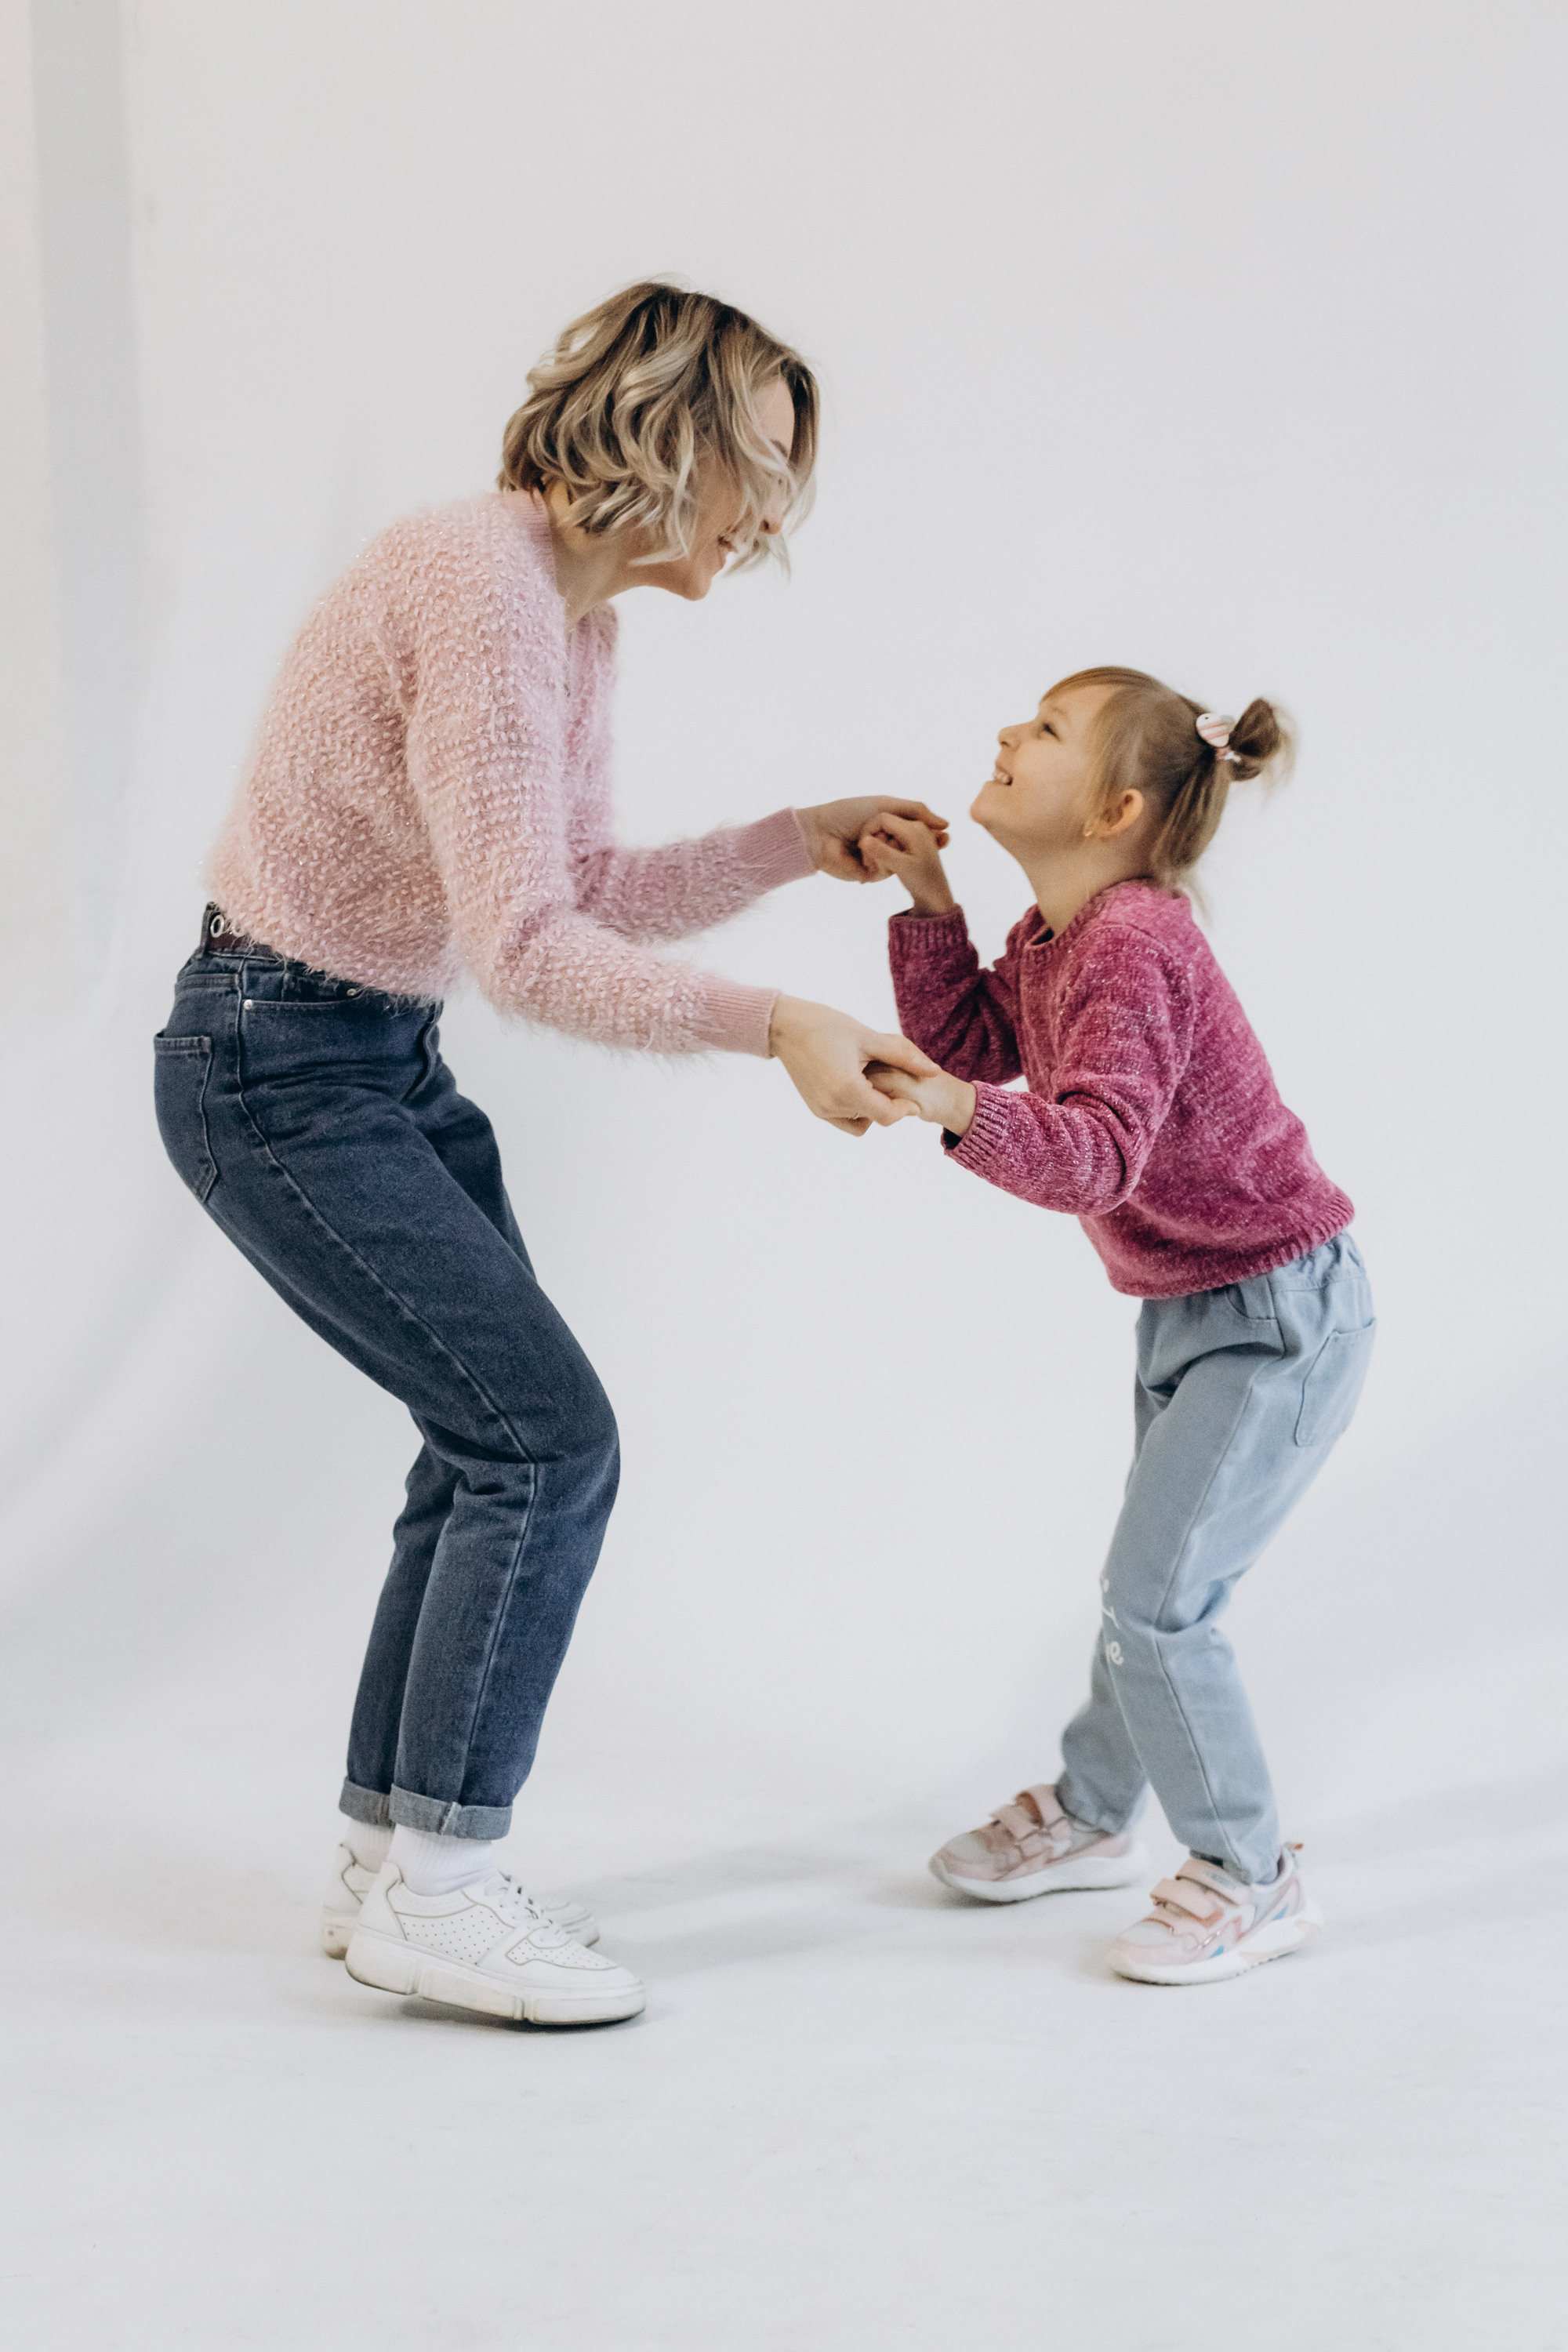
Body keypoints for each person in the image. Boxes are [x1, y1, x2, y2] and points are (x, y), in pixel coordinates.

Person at [153, 282, 943, 2028]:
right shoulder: (477, 582)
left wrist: (788, 845)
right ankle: (444, 1885)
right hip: (276, 1064)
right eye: (761, 471)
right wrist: (776, 1027)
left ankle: (389, 1863)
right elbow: (526, 952)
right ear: (674, 441)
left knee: (483, 1442)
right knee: (545, 1441)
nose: (769, 519)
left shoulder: (568, 616)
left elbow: (573, 894)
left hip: (367, 1053)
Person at [856, 668, 1374, 1985]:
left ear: (1115, 808)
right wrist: (930, 908)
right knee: (1149, 1590)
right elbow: (982, 1043)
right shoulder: (1056, 933)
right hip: (1188, 1305)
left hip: (1277, 1314)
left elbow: (1093, 1159)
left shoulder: (1136, 940)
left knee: (1159, 1604)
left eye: (1044, 731)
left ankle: (1254, 1874)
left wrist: (950, 1114)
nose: (1005, 733)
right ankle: (1094, 1817)